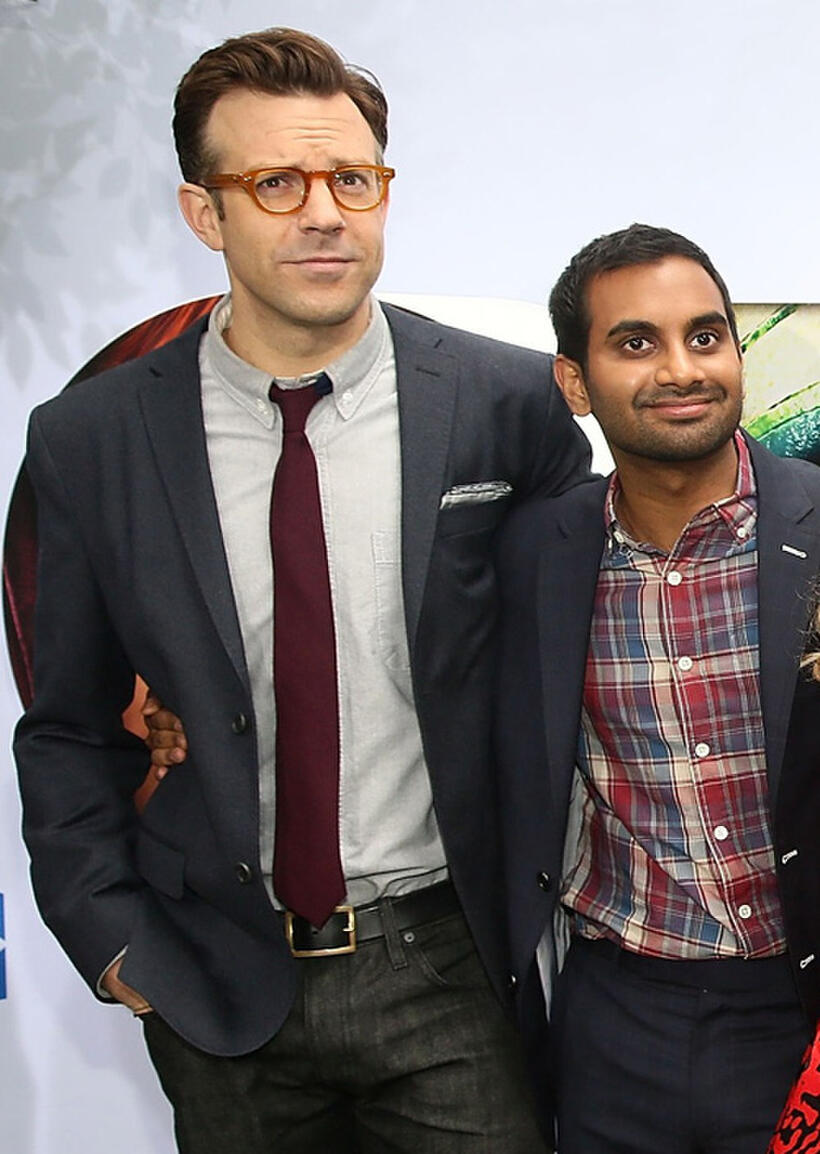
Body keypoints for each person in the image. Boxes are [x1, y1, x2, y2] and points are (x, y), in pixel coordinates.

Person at [12, 26, 590, 1154]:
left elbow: (571, 649)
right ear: (202, 212)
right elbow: (70, 726)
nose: (322, 212)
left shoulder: (505, 401)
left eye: (350, 178)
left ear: (383, 191)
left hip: (450, 967)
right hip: (213, 972)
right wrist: (115, 939)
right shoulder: (92, 440)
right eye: (274, 181)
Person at [494, 223, 820, 1153]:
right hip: (616, 1020)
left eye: (706, 336)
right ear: (574, 382)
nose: (682, 368)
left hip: (800, 1006)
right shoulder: (533, 556)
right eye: (636, 342)